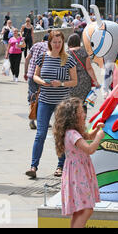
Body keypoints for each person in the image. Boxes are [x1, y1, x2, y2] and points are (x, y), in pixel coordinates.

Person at [26, 30, 78, 179]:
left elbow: (74, 81)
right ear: (49, 42)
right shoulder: (43, 57)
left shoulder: (68, 59)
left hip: (62, 102)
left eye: (59, 42)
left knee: (60, 134)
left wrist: (61, 83)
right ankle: (33, 166)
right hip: (44, 100)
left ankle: (60, 166)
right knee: (40, 134)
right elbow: (35, 75)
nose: (57, 45)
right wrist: (41, 82)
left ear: (63, 43)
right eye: (54, 42)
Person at [53, 97, 105, 228]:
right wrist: (99, 137)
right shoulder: (72, 134)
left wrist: (95, 130)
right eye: (81, 112)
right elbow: (89, 149)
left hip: (76, 173)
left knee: (80, 210)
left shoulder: (72, 132)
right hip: (78, 175)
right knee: (87, 209)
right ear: (73, 116)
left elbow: (87, 137)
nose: (84, 114)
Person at [67, 33, 100, 111]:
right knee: (83, 104)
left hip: (71, 80)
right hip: (84, 80)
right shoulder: (84, 52)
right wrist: (96, 81)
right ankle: (82, 119)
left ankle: (72, 119)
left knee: (72, 104)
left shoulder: (67, 53)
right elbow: (89, 68)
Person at [24, 34, 49, 130]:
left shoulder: (35, 45)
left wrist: (25, 72)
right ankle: (42, 120)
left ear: (42, 39)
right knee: (44, 98)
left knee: (32, 96)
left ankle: (32, 119)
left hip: (31, 75)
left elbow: (27, 59)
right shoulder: (50, 47)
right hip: (42, 77)